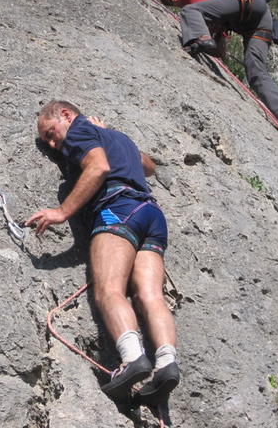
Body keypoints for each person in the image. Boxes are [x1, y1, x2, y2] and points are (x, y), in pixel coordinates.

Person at [25, 100, 180, 404]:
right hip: (151, 214)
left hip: (118, 208)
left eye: (52, 133)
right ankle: (166, 364)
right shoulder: (114, 135)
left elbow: (98, 167)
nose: (54, 144)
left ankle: (133, 359)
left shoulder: (79, 131)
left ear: (66, 115)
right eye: (48, 141)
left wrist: (62, 211)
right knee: (150, 296)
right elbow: (147, 166)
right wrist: (107, 133)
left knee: (109, 290)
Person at [93, 0, 278, 140]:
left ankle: (199, 39)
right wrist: (215, 38)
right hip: (258, 19)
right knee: (255, 70)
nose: (171, 0)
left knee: (190, 10)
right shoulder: (211, 12)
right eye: (167, 2)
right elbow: (220, 53)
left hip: (245, 0)